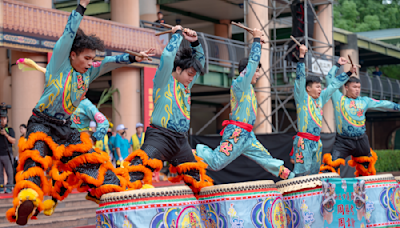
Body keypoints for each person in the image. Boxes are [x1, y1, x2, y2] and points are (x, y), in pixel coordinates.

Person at [6, 0, 154, 225]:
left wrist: (134, 57)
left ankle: (113, 192)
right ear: (72, 55)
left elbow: (111, 62)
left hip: (66, 128)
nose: (90, 63)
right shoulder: (59, 64)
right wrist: (81, 7)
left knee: (91, 160)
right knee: (34, 161)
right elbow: (68, 33)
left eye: (92, 58)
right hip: (41, 123)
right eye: (86, 58)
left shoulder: (89, 72)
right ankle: (28, 201)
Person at [123, 25, 213, 195]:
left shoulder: (186, 84)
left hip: (181, 141)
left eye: (193, 75)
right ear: (178, 69)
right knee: (135, 171)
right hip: (160, 137)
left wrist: (195, 43)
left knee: (197, 180)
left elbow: (199, 61)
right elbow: (167, 56)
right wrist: (177, 35)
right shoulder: (163, 80)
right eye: (189, 74)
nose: (191, 78)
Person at [195, 29, 294, 180]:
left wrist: (258, 44)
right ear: (248, 71)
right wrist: (255, 41)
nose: (258, 74)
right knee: (215, 163)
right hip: (237, 133)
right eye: (257, 71)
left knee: (266, 159)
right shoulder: (240, 83)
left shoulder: (248, 88)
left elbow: (253, 65)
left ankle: (290, 176)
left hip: (247, 135)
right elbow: (252, 64)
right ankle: (196, 151)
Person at [290, 44, 355, 177]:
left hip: (317, 142)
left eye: (320, 87)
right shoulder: (302, 97)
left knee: (314, 174)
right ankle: (297, 197)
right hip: (304, 142)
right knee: (301, 175)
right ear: (308, 88)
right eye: (317, 87)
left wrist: (347, 73)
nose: (320, 89)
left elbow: (333, 85)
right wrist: (301, 56)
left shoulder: (320, 99)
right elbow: (300, 79)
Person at [320, 75, 400, 176]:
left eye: (359, 87)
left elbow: (382, 104)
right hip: (343, 141)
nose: (357, 90)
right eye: (354, 87)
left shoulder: (364, 101)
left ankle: (366, 190)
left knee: (366, 169)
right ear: (346, 87)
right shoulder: (338, 98)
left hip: (362, 140)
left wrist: (398, 107)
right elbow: (329, 80)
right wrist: (340, 67)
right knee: (330, 167)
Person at [0, 111, 15, 194]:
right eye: (1, 118)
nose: (2, 120)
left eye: (4, 118)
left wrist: (5, 134)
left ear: (7, 119)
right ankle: (1, 187)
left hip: (7, 154)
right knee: (0, 173)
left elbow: (13, 141)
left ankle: (9, 187)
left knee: (9, 171)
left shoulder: (10, 130)